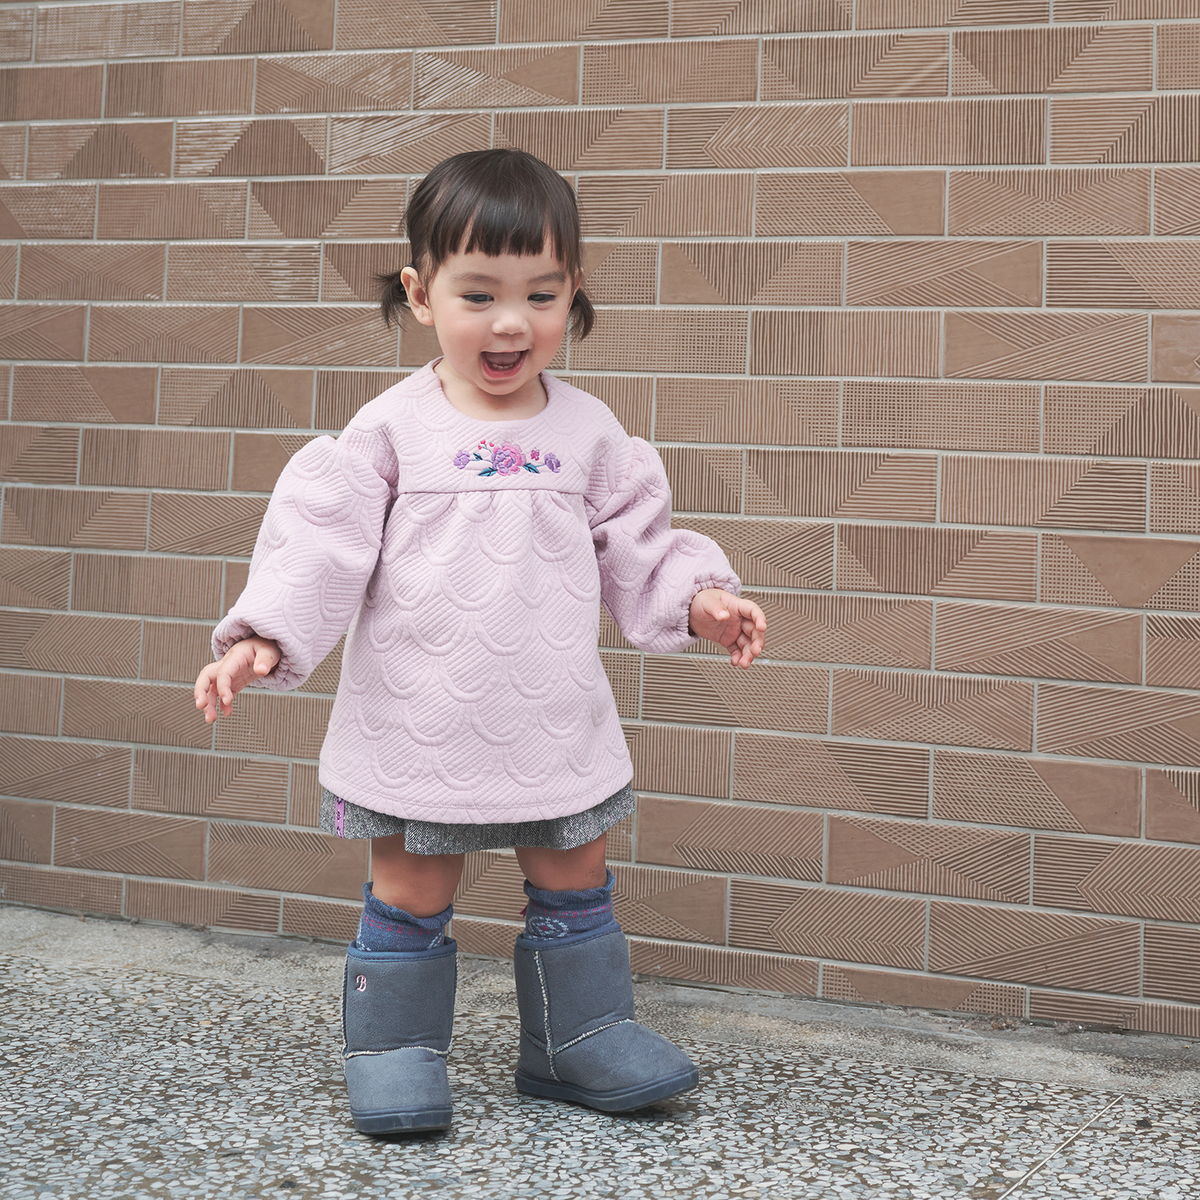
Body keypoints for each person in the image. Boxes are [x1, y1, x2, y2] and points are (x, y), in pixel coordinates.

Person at [193, 148, 767, 1136]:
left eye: (540, 293)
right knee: (413, 884)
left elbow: (642, 547)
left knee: (575, 874)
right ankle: (395, 1048)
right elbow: (321, 545)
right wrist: (261, 638)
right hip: (423, 716)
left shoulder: (592, 435)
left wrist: (701, 598)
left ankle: (575, 1040)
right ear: (421, 295)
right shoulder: (390, 431)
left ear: (573, 292)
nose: (511, 322)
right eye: (479, 293)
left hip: (550, 715)